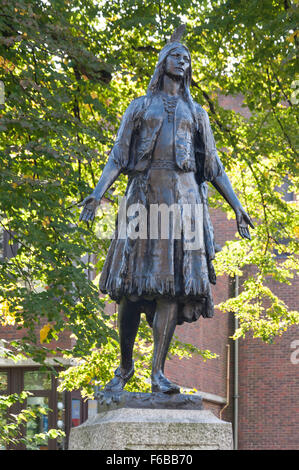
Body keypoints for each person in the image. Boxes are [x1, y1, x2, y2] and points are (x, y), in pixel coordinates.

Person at [79, 30, 254, 394]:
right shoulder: (140, 107)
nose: (183, 61)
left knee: (172, 291)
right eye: (176, 55)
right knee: (131, 289)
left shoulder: (197, 113)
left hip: (186, 205)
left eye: (187, 58)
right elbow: (118, 155)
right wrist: (97, 194)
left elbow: (214, 167)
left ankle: (157, 373)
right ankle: (125, 368)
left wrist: (237, 206)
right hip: (145, 200)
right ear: (163, 64)